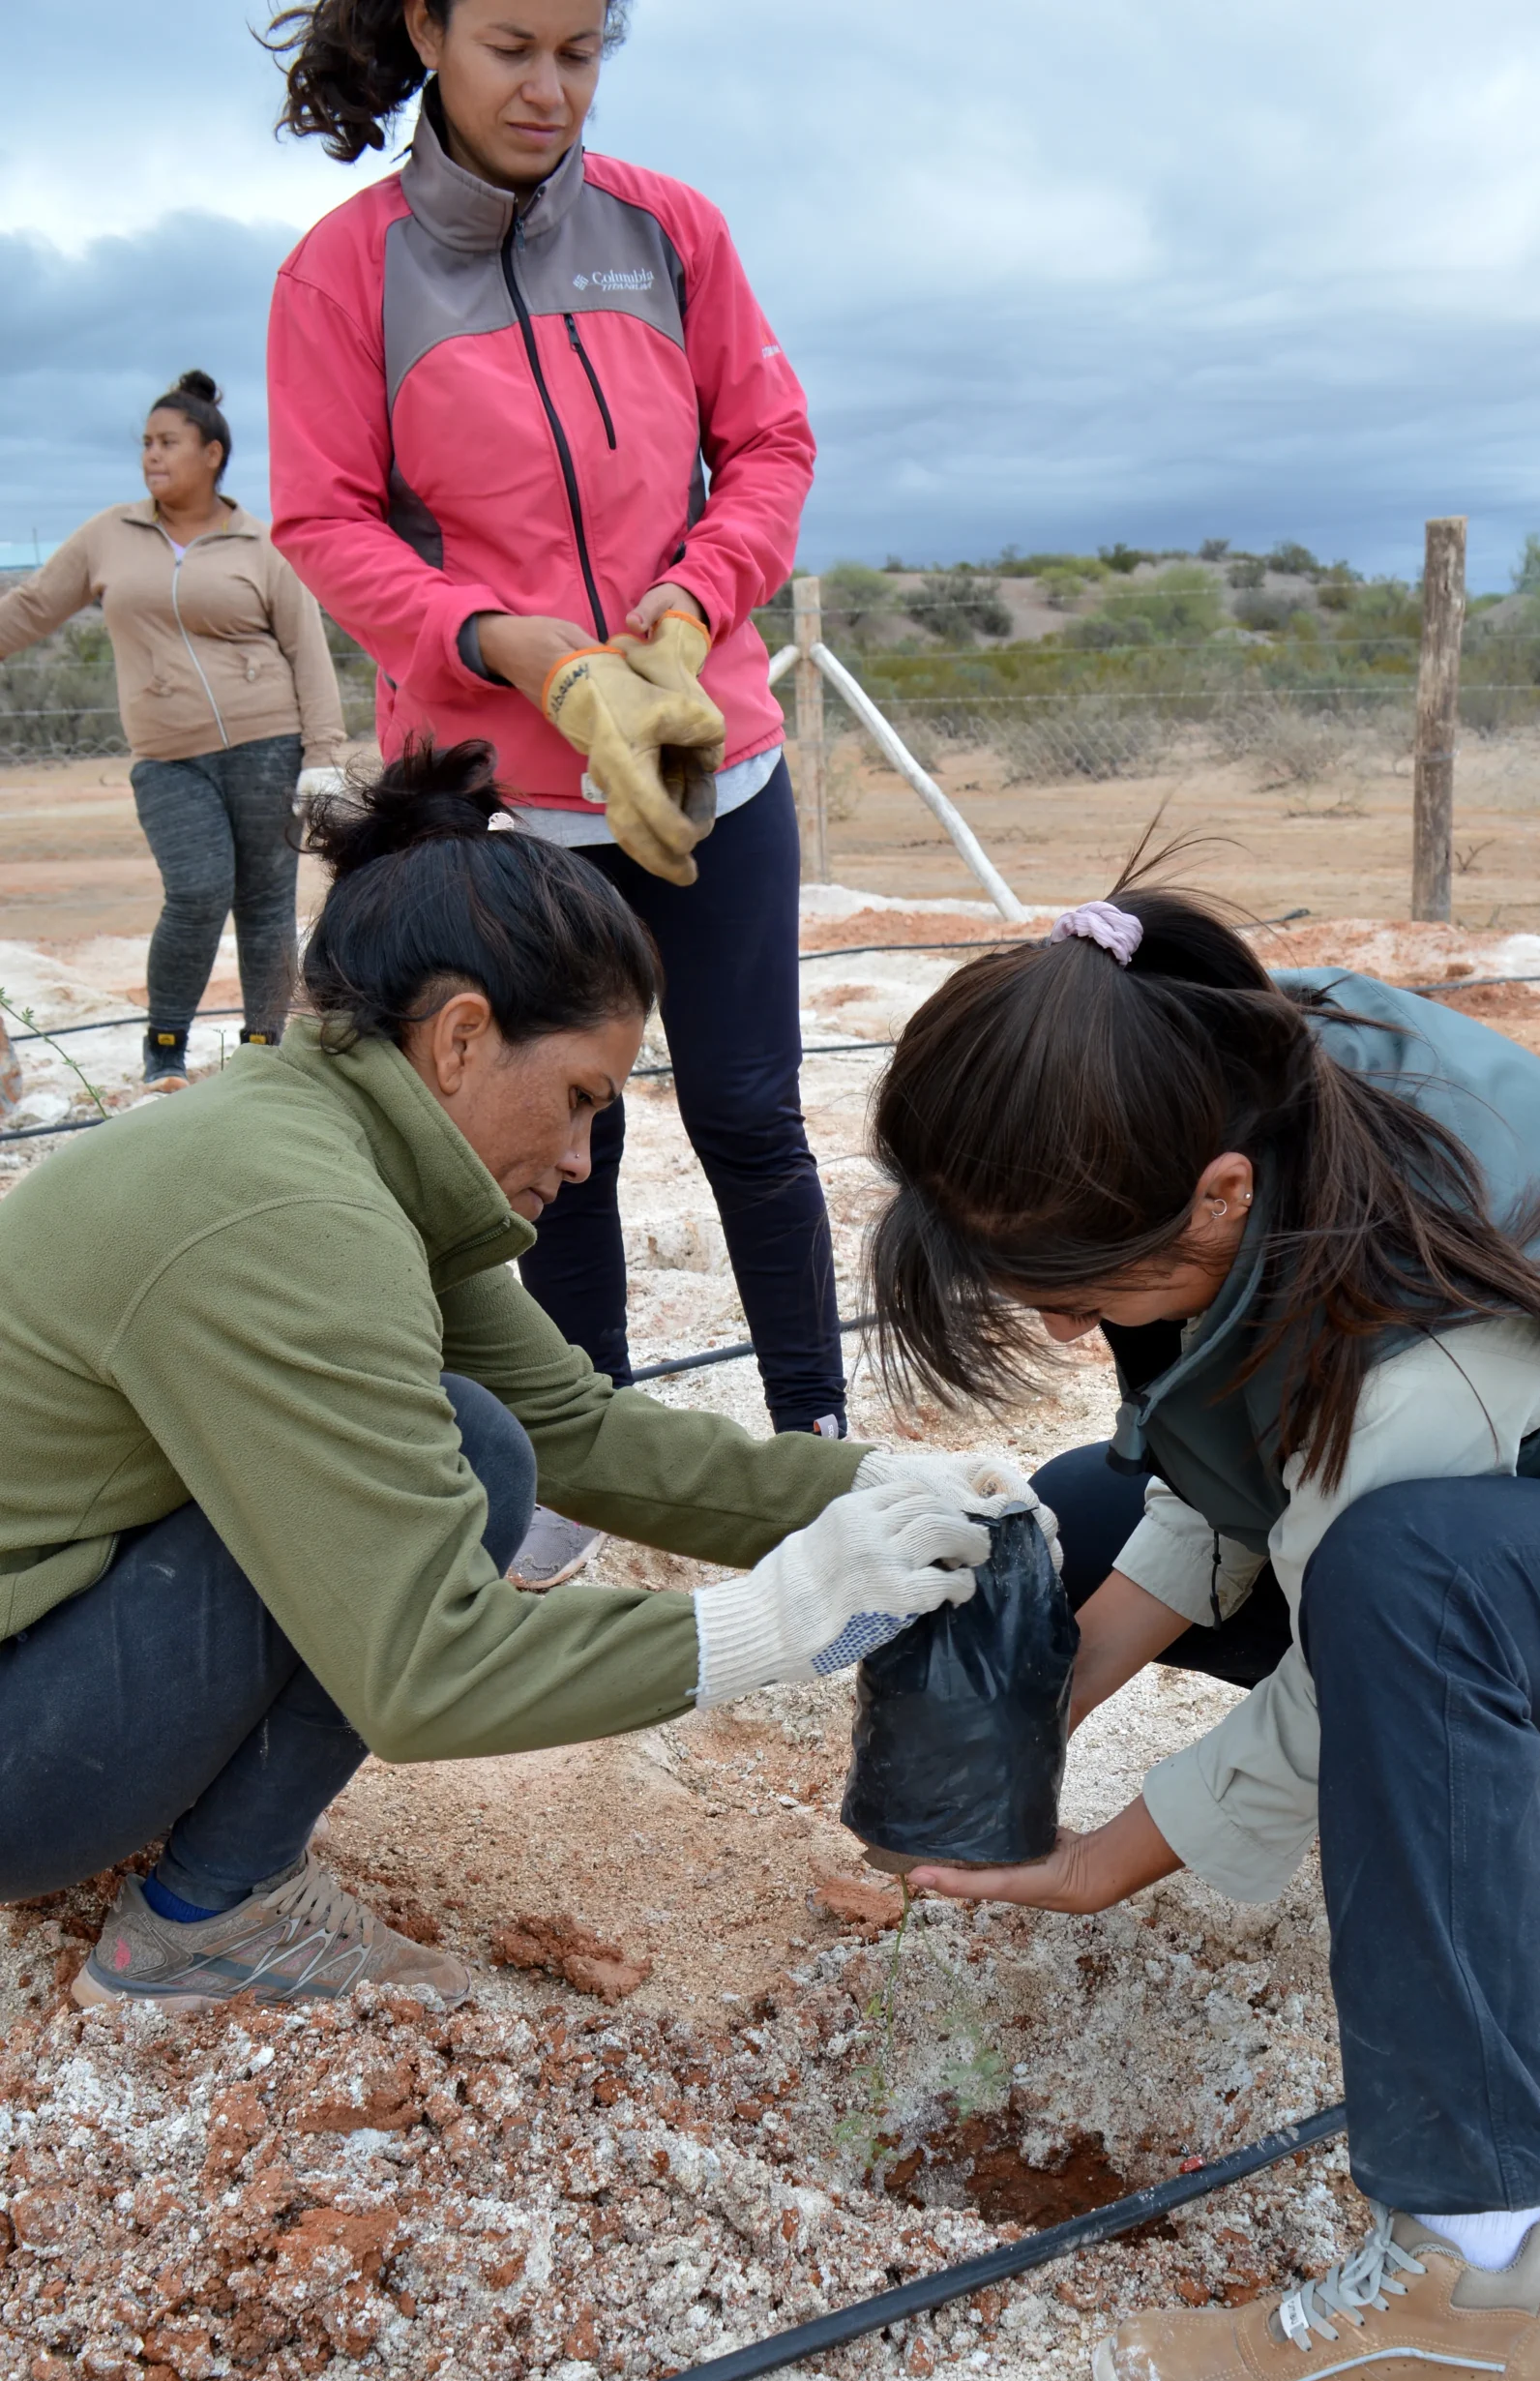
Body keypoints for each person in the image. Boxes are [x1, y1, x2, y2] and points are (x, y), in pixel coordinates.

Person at [864, 876, 1540, 2381]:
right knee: (1087, 1506)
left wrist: (1101, 1860)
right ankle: (1511, 1746)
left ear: (1218, 1198)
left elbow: (1349, 1606)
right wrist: (1038, 1716)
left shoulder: (1423, 1303)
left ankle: (1471, 2298)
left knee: (1406, 1587)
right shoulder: (1199, 1064)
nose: (1070, 1331)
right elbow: (1235, 1458)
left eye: (1080, 1297)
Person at [0, 740, 1048, 2012]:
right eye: (579, 1097)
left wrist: (879, 1483)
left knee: (484, 1444)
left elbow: (577, 1434)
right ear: (459, 1037)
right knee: (448, 1465)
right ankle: (207, 1920)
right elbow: (426, 1672)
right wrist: (782, 1618)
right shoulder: (294, 1219)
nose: (583, 1155)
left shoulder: (320, 1140)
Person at [262, 0, 844, 1594]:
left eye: (581, 52)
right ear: (428, 29)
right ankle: (579, 1462)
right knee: (549, 1140)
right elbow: (324, 525)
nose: (550, 88)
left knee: (749, 1114)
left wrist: (685, 613)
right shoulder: (341, 272)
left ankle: (812, 1447)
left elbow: (771, 444)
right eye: (512, 45)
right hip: (502, 795)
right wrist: (513, 648)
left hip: (706, 762)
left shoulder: (673, 230)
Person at [0, 372, 346, 1089]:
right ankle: (165, 1051)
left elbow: (308, 650)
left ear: (212, 454)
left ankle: (262, 1054)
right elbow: (31, 607)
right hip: (168, 758)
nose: (151, 456)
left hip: (268, 746)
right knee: (196, 891)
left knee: (266, 906)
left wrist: (323, 754)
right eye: (146, 444)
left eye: (167, 443)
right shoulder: (110, 534)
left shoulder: (260, 543)